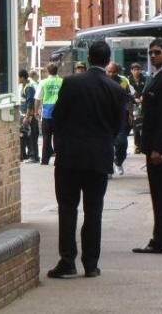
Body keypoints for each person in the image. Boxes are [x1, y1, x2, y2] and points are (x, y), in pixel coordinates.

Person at [47, 41, 128, 278]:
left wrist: (60, 144)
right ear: (107, 60)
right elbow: (116, 127)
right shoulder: (116, 89)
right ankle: (91, 264)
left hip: (70, 156)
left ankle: (67, 261)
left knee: (67, 209)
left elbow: (58, 117)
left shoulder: (71, 82)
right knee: (94, 211)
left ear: (90, 58)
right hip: (98, 157)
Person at [132, 38, 162, 254]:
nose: (152, 56)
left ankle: (160, 240)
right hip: (161, 145)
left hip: (161, 147)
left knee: (161, 194)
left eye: (157, 52)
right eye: (150, 52)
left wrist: (160, 148)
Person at [106, 62, 134, 176]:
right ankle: (108, 168)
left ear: (117, 71)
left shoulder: (123, 81)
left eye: (114, 71)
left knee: (121, 142)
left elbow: (129, 98)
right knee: (106, 144)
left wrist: (131, 114)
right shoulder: (102, 80)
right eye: (109, 71)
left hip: (120, 116)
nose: (111, 74)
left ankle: (118, 162)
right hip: (105, 117)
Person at [34, 63, 63, 165]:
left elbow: (38, 99)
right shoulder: (62, 81)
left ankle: (45, 160)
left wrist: (36, 111)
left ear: (47, 71)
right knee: (58, 137)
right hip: (60, 114)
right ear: (57, 71)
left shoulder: (43, 82)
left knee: (46, 137)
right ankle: (59, 160)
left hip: (47, 113)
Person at [128, 62, 149, 154]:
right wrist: (135, 98)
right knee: (136, 127)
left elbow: (147, 88)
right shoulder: (129, 80)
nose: (136, 71)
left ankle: (144, 145)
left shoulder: (145, 79)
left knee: (145, 126)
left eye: (138, 69)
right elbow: (128, 91)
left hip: (144, 105)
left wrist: (143, 96)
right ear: (131, 71)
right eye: (134, 70)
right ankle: (137, 146)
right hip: (133, 105)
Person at [19, 69, 38, 162]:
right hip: (25, 115)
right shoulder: (24, 86)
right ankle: (29, 155)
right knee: (26, 135)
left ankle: (33, 156)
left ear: (22, 78)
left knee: (31, 136)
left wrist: (27, 117)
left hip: (29, 116)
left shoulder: (29, 87)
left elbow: (30, 103)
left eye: (18, 77)